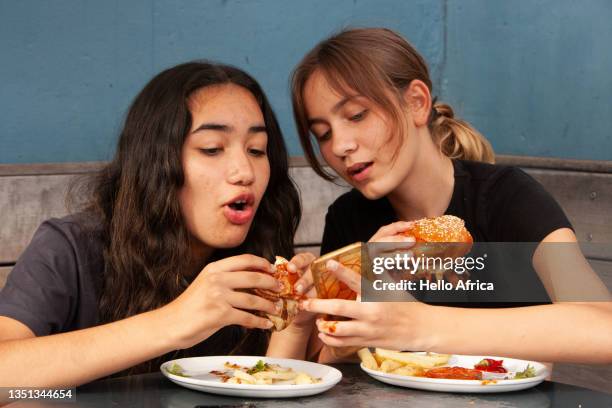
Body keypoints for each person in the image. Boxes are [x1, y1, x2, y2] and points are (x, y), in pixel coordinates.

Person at [290, 28, 612, 364]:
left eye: (357, 115)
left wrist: (415, 324)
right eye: (323, 134)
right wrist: (357, 288)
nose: (340, 146)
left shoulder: (506, 197)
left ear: (416, 103)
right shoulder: (350, 220)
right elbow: (325, 361)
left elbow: (602, 327)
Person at [0, 61, 315, 388]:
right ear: (157, 163)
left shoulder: (267, 247)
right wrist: (174, 322)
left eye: (256, 150)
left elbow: (271, 388)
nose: (245, 171)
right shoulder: (69, 248)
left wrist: (294, 324)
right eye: (211, 149)